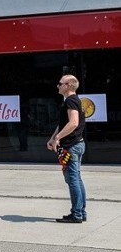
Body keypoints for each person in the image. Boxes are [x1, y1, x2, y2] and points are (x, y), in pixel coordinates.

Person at [46, 75, 87, 223]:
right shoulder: (75, 100)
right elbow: (65, 123)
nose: (58, 86)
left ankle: (77, 214)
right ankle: (81, 212)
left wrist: (58, 138)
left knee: (73, 179)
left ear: (68, 85)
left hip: (72, 145)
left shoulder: (70, 101)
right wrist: (53, 137)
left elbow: (73, 123)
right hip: (77, 144)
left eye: (60, 83)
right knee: (77, 178)